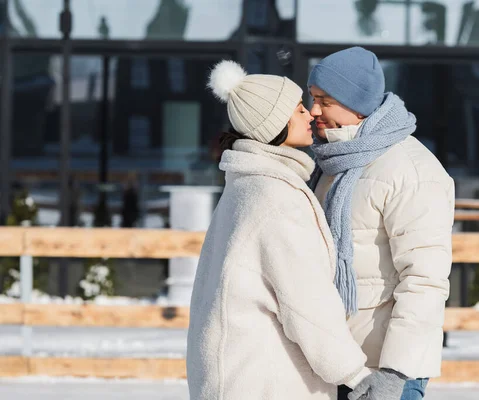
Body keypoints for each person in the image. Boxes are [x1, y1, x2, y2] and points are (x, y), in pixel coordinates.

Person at [186, 60, 371, 400]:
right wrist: (355, 374)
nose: (311, 114)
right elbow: (306, 303)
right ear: (275, 123)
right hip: (265, 382)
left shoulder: (247, 186)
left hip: (238, 376)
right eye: (299, 108)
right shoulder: (275, 197)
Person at [306, 47, 455, 400]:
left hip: (383, 372)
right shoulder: (333, 163)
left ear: (354, 103)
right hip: (338, 364)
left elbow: (425, 280)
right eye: (312, 99)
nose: (313, 111)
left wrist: (393, 372)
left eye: (324, 100)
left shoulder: (412, 171)